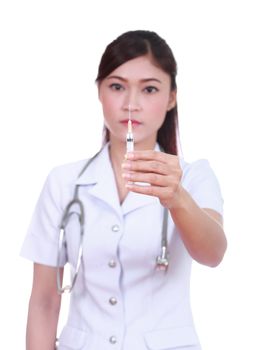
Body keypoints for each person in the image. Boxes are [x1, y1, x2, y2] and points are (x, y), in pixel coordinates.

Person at [21, 30, 227, 350]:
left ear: (171, 97)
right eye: (117, 87)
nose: (131, 105)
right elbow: (45, 301)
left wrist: (177, 199)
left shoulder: (193, 177)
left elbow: (213, 253)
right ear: (100, 92)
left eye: (149, 89)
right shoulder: (64, 182)